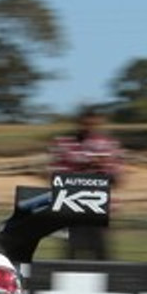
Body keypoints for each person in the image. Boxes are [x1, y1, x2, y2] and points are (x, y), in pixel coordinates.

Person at [48, 108, 124, 259]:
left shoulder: (108, 145)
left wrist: (102, 167)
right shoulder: (64, 144)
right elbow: (54, 176)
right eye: (85, 123)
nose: (89, 127)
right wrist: (81, 167)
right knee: (70, 255)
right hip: (70, 208)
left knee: (102, 255)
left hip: (98, 209)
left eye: (93, 124)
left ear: (99, 123)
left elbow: (118, 179)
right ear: (79, 123)